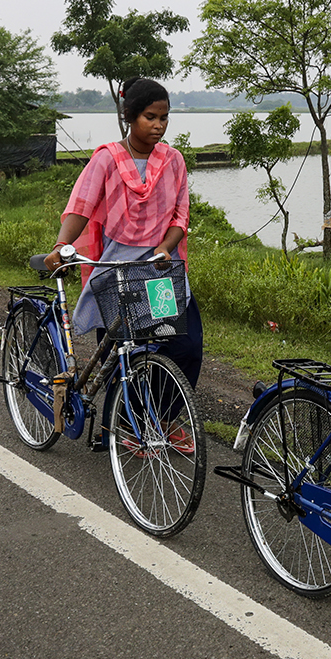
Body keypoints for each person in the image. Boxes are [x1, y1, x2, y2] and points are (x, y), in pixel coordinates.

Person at [43, 77, 202, 448]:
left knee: (185, 345)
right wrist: (62, 245)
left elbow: (181, 214)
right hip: (118, 268)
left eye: (164, 118)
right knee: (119, 352)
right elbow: (81, 207)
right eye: (150, 116)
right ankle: (121, 426)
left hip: (161, 269)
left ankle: (160, 418)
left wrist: (166, 247)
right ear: (130, 115)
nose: (159, 125)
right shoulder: (107, 159)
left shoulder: (173, 160)